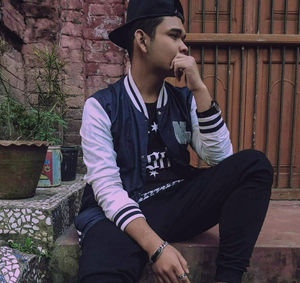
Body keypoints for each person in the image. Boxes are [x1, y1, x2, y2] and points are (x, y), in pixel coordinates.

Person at [75, 0, 274, 282]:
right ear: (142, 40)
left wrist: (200, 90)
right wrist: (156, 248)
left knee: (254, 165)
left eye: (184, 38)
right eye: (174, 35)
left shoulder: (185, 100)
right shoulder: (102, 106)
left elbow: (221, 160)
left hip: (175, 202)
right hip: (119, 213)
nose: (184, 47)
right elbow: (107, 190)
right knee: (101, 270)